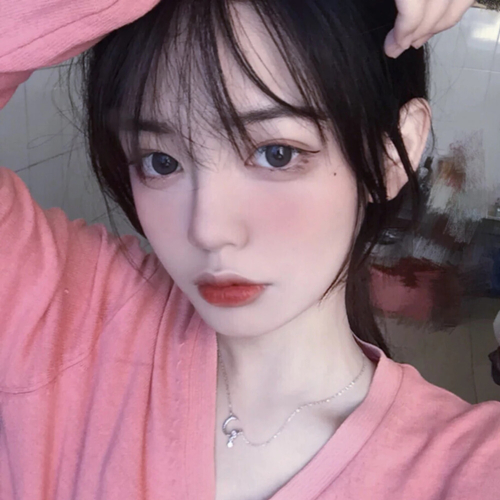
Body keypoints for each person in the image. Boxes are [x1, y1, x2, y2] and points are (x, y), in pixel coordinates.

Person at [0, 1, 492, 500]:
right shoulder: (65, 321)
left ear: (393, 153)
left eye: (276, 154)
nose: (208, 230)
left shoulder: (467, 467)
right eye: (160, 161)